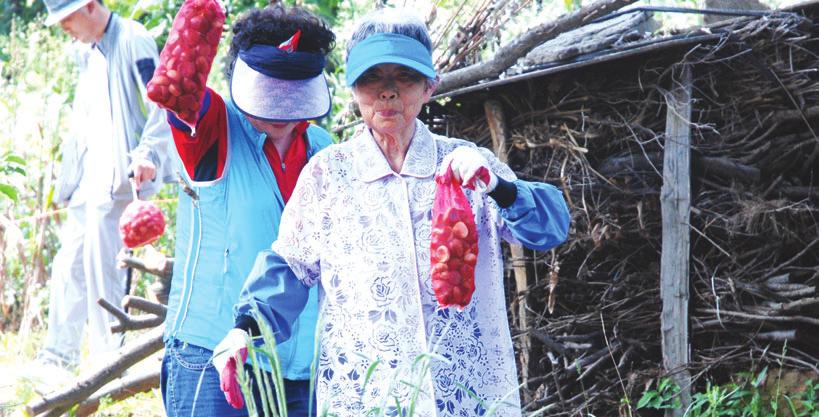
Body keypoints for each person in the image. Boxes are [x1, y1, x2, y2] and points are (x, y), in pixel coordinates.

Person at [214, 8, 571, 417]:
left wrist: (500, 188)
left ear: (429, 86)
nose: (387, 92)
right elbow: (289, 269)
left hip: (465, 390)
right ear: (352, 90)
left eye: (404, 76)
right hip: (369, 397)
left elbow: (550, 229)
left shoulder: (466, 165)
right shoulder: (329, 175)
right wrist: (245, 331)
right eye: (371, 78)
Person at [159, 4, 335, 417]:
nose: (279, 109)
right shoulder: (211, 127)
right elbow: (175, 87)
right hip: (211, 350)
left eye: (292, 92)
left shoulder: (324, 149)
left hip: (303, 365)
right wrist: (202, 13)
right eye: (269, 90)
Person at [36, 0, 170, 374]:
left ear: (91, 6)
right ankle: (56, 359)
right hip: (86, 184)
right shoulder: (86, 53)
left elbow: (161, 106)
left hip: (120, 185)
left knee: (104, 275)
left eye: (67, 18)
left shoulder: (134, 39)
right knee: (68, 269)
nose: (64, 28)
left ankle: (107, 364)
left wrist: (148, 154)